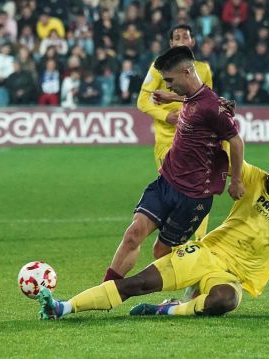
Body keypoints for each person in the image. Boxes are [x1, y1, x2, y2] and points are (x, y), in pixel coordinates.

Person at [36, 152, 269, 320]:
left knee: (225, 302)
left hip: (231, 276)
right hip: (205, 254)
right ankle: (62, 307)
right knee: (136, 284)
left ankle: (168, 311)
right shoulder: (252, 180)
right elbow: (226, 150)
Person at [102, 45, 244, 283]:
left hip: (193, 196)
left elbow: (236, 141)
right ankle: (106, 290)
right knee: (133, 234)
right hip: (166, 181)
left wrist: (237, 180)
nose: (166, 85)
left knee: (161, 252)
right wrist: (172, 97)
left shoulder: (213, 108)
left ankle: (197, 282)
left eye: (169, 80)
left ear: (187, 72)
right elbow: (193, 97)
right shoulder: (194, 96)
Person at [136, 24, 214, 240]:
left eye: (185, 36)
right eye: (176, 37)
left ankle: (198, 243)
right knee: (173, 189)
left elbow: (207, 101)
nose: (181, 40)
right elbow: (142, 100)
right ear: (171, 43)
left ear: (192, 41)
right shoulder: (158, 68)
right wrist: (165, 115)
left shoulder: (203, 69)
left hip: (195, 138)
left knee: (199, 187)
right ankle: (171, 241)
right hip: (167, 139)